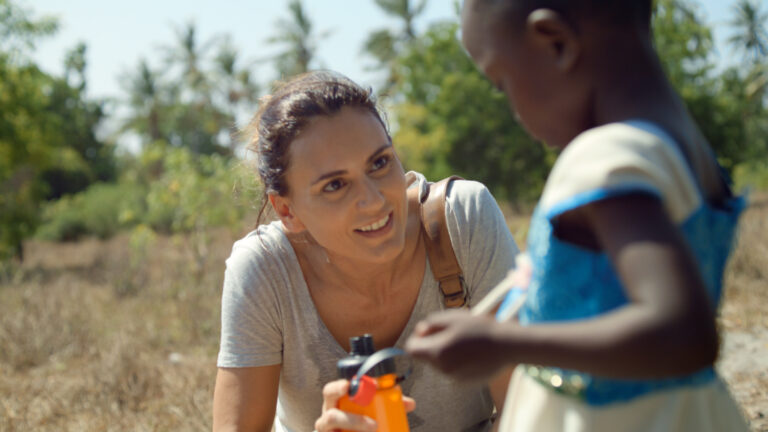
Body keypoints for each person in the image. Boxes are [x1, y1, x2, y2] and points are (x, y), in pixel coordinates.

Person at [405, 1, 750, 431]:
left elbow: (682, 331)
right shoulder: (687, 149)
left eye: (501, 82)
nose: (512, 108)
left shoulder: (603, 158)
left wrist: (502, 343)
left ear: (556, 43)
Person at [212, 70, 520, 432]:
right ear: (287, 210)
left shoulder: (460, 221)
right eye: (335, 185)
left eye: (379, 163)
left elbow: (529, 412)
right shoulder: (265, 269)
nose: (374, 201)